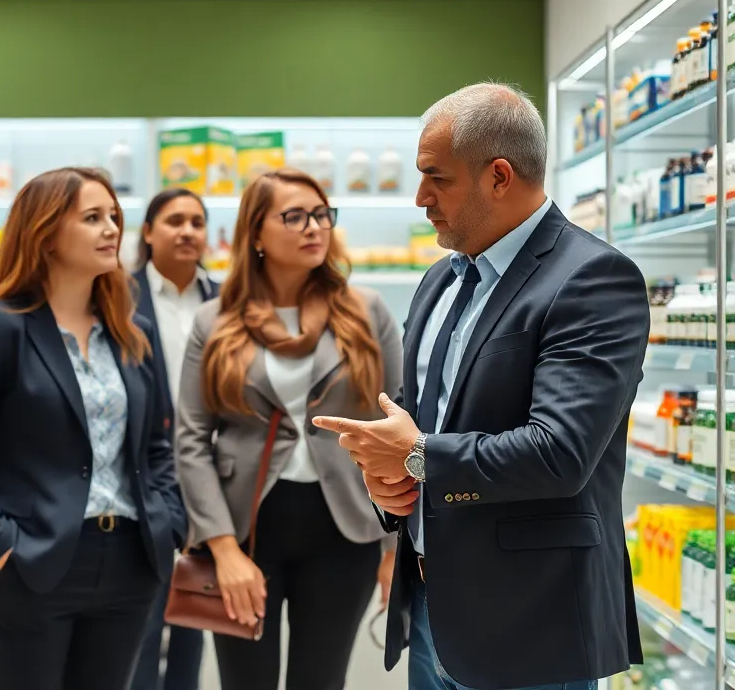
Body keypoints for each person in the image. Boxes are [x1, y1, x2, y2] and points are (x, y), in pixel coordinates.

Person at [314, 83, 649, 690]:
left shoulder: (592, 279)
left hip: (530, 626)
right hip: (433, 609)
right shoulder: (440, 281)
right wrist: (391, 482)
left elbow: (560, 453)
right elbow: (421, 422)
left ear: (499, 175)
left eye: (436, 178)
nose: (419, 198)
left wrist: (418, 458)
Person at [0, 167, 187, 690]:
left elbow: (157, 444)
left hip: (130, 564)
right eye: (92, 218)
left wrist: (169, 522)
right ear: (45, 233)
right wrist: (1, 546)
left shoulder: (132, 332)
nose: (112, 228)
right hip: (33, 562)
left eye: (113, 216)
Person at [174, 168, 403, 690]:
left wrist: (396, 552)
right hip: (245, 531)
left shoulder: (366, 312)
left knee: (320, 681)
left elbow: (399, 426)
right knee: (244, 681)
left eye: (322, 214)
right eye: (294, 216)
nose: (314, 227)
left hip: (345, 528)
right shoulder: (216, 321)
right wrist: (223, 549)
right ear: (255, 233)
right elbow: (190, 439)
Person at [130, 188, 217, 690]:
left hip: (210, 478)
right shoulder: (119, 295)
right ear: (148, 232)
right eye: (174, 220)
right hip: (144, 476)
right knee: (140, 617)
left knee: (197, 610)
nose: (187, 231)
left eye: (197, 222)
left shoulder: (227, 299)